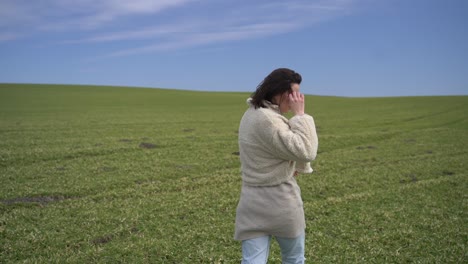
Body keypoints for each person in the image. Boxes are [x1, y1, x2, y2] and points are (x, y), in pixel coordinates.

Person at [234, 68, 318, 263]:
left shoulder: (251, 114)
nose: (296, 99)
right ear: (278, 92)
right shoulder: (269, 120)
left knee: (252, 261)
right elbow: (306, 150)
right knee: (294, 259)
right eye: (292, 94)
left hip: (252, 203)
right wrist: (300, 116)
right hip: (281, 202)